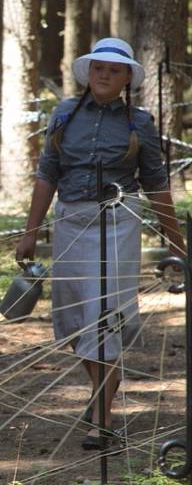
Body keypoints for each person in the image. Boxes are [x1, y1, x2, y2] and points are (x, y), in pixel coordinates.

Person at [15, 38, 185, 450]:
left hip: (117, 224)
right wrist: (31, 230)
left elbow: (157, 184)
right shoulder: (64, 114)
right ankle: (100, 391)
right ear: (88, 72)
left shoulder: (138, 122)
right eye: (98, 68)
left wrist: (176, 243)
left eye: (114, 69)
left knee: (106, 313)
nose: (104, 74)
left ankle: (103, 417)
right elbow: (47, 174)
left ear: (127, 77)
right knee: (75, 316)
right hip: (71, 221)